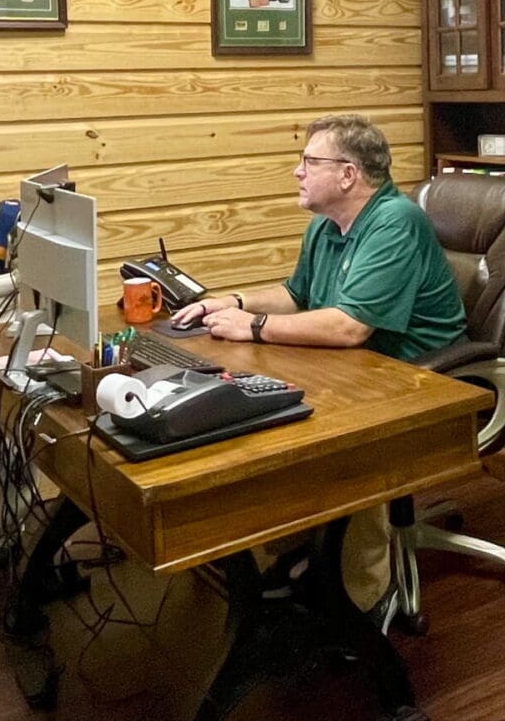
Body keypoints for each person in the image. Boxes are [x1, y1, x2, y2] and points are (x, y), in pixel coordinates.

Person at [171, 113, 466, 616]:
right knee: (261, 412)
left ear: (348, 174)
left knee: (345, 450)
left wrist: (254, 328)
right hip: (356, 369)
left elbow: (351, 327)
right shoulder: (326, 226)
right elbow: (295, 293)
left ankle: (366, 598)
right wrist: (233, 302)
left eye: (309, 161)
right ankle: (297, 551)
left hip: (422, 377)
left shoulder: (395, 221)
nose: (297, 172)